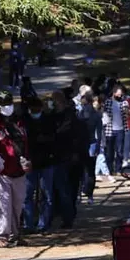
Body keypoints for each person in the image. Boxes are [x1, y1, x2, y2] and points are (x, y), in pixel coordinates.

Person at [0, 91, 28, 248]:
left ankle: (15, 233)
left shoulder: (18, 122)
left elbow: (25, 143)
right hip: (3, 172)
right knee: (4, 204)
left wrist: (28, 159)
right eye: (4, 103)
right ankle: (1, 235)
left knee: (18, 204)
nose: (8, 106)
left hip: (20, 170)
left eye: (9, 102)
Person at [22, 96, 56, 233]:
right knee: (27, 195)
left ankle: (43, 224)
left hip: (46, 162)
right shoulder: (25, 121)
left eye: (36, 109)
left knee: (46, 195)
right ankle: (28, 224)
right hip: (31, 162)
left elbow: (54, 139)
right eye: (32, 109)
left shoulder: (48, 121)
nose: (34, 111)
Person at [50, 91, 80, 228]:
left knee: (66, 189)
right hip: (57, 156)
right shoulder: (52, 116)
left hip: (67, 157)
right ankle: (63, 213)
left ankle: (68, 217)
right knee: (61, 189)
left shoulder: (69, 117)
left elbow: (68, 134)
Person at [82, 94, 104, 203]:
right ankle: (87, 192)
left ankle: (88, 192)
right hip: (86, 145)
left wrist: (98, 145)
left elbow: (99, 133)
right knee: (87, 170)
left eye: (85, 104)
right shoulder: (81, 115)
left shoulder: (94, 115)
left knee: (89, 170)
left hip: (90, 144)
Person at [106, 84, 128, 174]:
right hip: (110, 130)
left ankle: (118, 169)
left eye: (121, 94)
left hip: (120, 129)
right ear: (114, 93)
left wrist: (127, 111)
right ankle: (110, 170)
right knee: (110, 152)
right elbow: (103, 113)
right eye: (118, 94)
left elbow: (128, 113)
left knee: (119, 151)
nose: (120, 96)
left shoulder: (124, 102)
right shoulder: (108, 102)